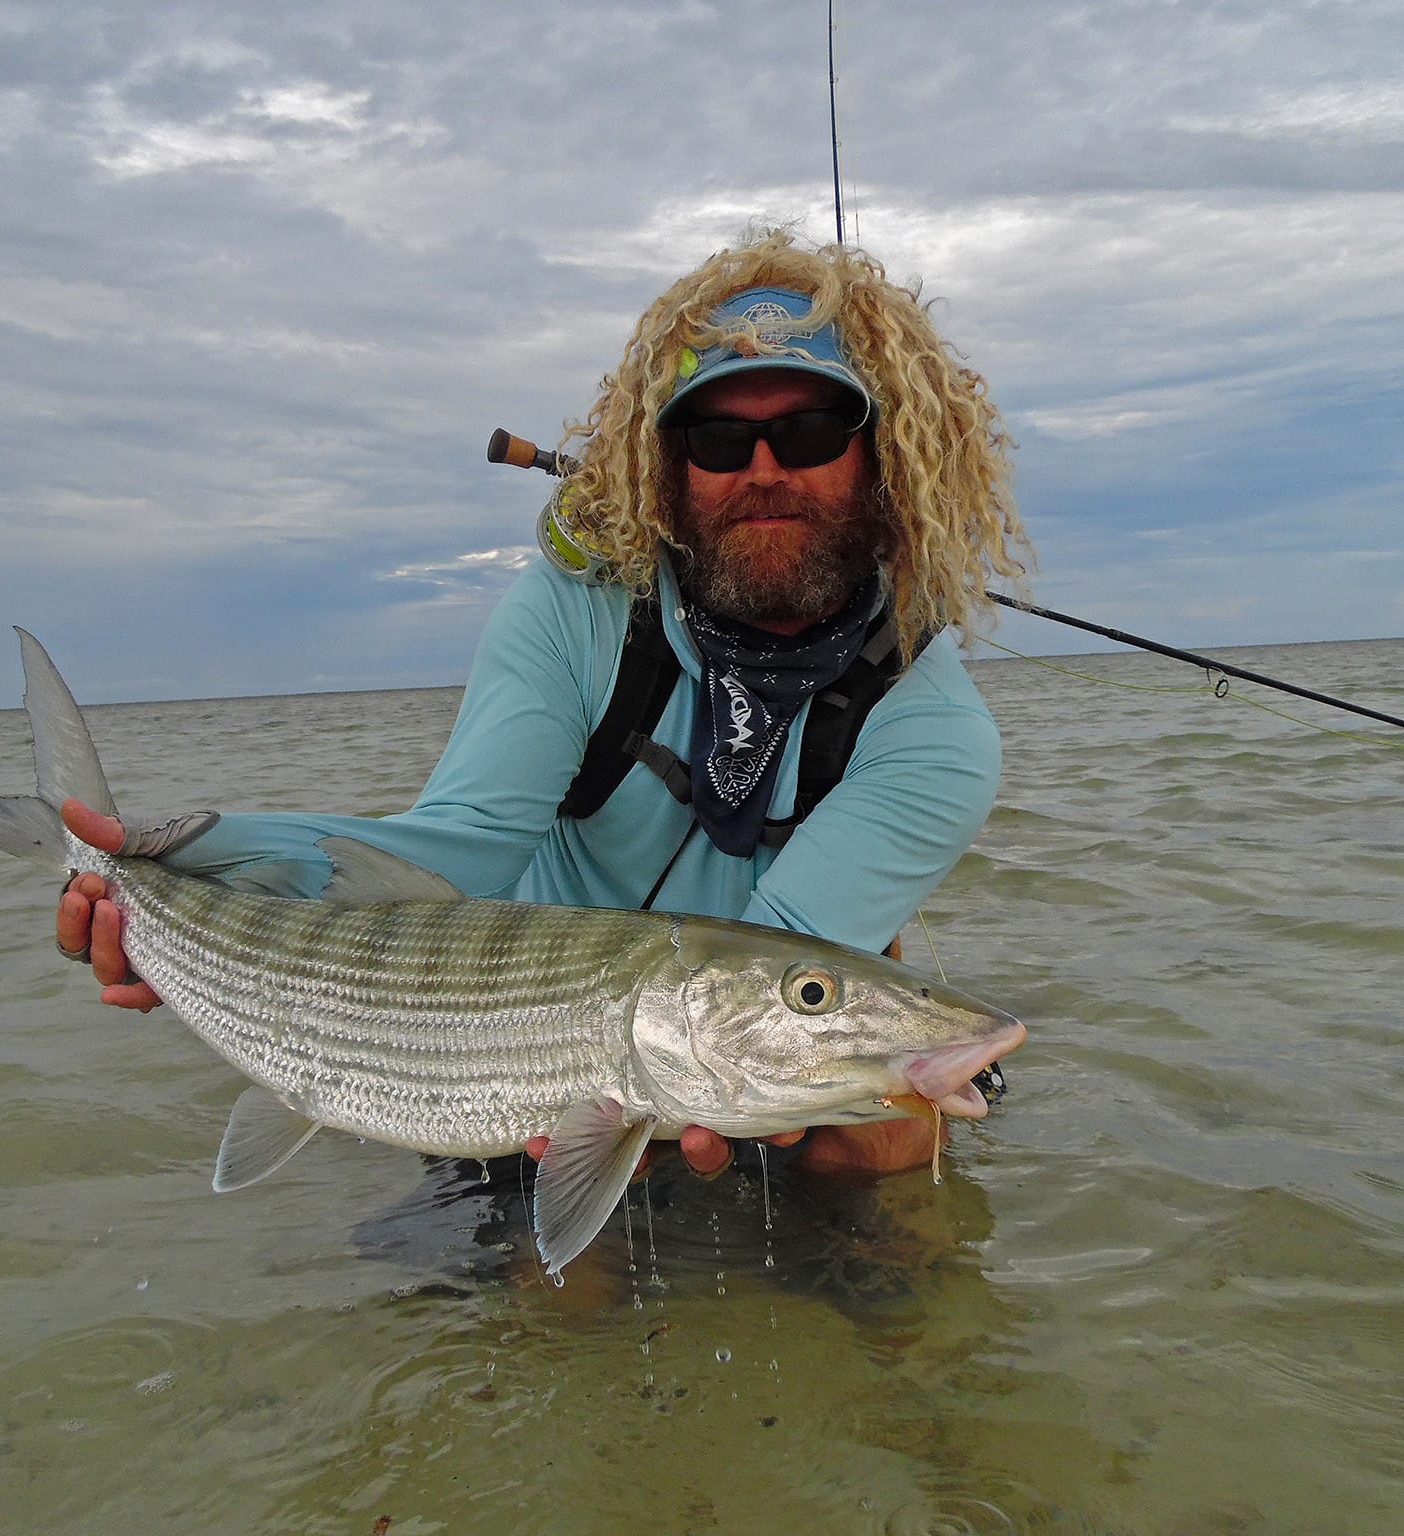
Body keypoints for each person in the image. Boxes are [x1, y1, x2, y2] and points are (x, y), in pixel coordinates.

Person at [57, 228, 1030, 1182]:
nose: (763, 468)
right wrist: (182, 851)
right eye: (718, 437)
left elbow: (785, 947)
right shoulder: (573, 611)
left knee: (892, 1138)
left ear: (884, 463)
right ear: (666, 465)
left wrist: (708, 1083)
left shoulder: (935, 734)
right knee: (546, 1296)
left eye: (813, 430)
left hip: (712, 1042)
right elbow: (457, 845)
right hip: (510, 1035)